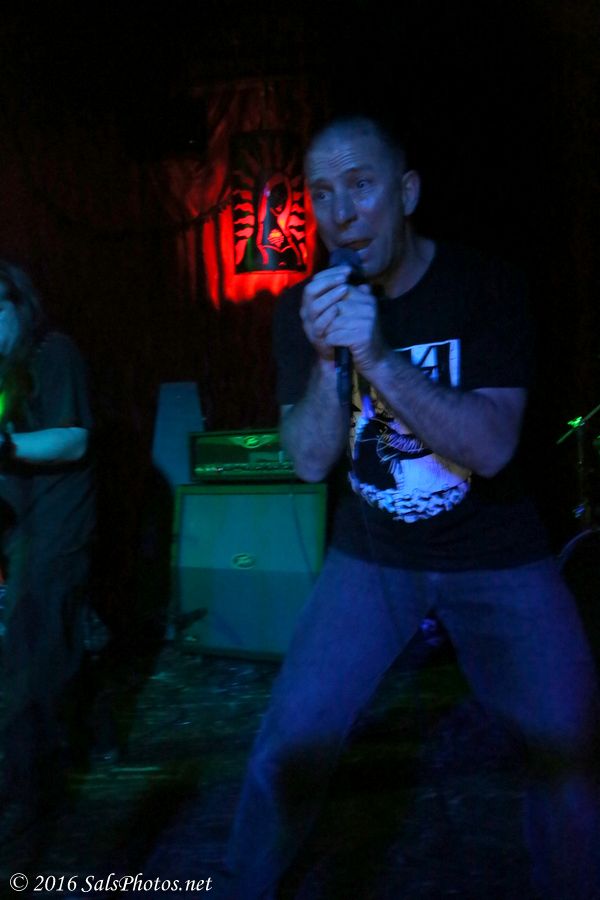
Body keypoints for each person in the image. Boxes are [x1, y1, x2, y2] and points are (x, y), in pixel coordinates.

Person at [223, 114, 600, 899]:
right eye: (322, 193)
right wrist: (326, 359)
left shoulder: (486, 286)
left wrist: (378, 357)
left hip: (498, 554)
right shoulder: (306, 308)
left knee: (568, 751)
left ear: (407, 192)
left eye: (361, 186)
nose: (341, 214)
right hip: (372, 558)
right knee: (287, 744)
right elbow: (309, 461)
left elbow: (492, 447)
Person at [0, 261, 95, 834]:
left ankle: (38, 792)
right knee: (37, 650)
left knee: (37, 658)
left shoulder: (54, 354)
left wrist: (5, 445)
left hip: (58, 528)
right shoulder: (3, 373)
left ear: (19, 305)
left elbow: (74, 438)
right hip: (20, 533)